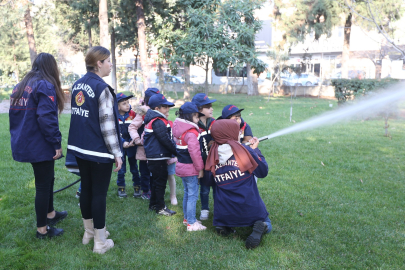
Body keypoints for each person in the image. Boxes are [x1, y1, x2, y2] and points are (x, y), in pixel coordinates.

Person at [67, 46, 122, 254]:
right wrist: (117, 153)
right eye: (108, 61)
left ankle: (88, 232)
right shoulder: (102, 89)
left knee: (87, 190)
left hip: (80, 147)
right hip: (99, 151)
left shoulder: (77, 84)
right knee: (98, 194)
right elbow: (107, 126)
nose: (110, 65)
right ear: (99, 63)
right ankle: (100, 242)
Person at [9, 53, 68, 239]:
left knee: (48, 179)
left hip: (26, 141)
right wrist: (56, 142)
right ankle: (42, 230)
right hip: (39, 143)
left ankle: (50, 214)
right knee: (43, 185)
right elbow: (46, 118)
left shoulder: (21, 85)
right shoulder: (44, 85)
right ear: (52, 68)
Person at [204, 120, 272, 249]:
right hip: (250, 208)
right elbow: (262, 172)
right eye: (237, 130)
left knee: (225, 215)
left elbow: (208, 182)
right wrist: (255, 150)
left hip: (224, 212)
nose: (241, 132)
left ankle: (224, 226)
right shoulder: (244, 151)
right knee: (268, 225)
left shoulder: (212, 155)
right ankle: (262, 226)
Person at [172, 102, 206, 231]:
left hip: (181, 167)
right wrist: (200, 169)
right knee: (192, 195)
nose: (198, 120)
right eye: (197, 117)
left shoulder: (180, 131)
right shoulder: (191, 133)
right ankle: (192, 223)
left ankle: (187, 218)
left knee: (187, 193)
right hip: (191, 169)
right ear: (190, 116)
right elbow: (195, 153)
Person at [143, 93, 177, 216]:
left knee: (156, 182)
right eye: (164, 107)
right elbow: (165, 139)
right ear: (157, 109)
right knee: (160, 182)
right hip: (158, 156)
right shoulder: (157, 121)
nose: (167, 109)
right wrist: (176, 151)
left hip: (156, 156)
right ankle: (161, 207)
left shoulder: (154, 119)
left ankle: (153, 204)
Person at [128, 88, 160, 199]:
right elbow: (132, 127)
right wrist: (137, 139)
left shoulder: (159, 111)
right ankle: (145, 191)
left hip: (157, 149)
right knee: (145, 172)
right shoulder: (143, 112)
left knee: (156, 171)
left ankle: (154, 190)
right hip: (144, 149)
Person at [191, 93, 216, 220]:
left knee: (218, 188)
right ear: (198, 109)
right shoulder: (194, 126)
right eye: (208, 107)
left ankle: (219, 209)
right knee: (205, 189)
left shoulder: (214, 123)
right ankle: (204, 209)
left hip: (216, 163)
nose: (211, 109)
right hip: (203, 164)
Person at [116, 92, 141, 198]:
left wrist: (132, 141)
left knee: (134, 167)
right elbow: (114, 132)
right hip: (120, 146)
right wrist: (122, 142)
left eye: (128, 103)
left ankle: (137, 186)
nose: (127, 105)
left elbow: (136, 128)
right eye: (124, 103)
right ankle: (121, 188)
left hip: (132, 146)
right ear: (117, 106)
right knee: (121, 168)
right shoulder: (114, 116)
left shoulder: (133, 115)